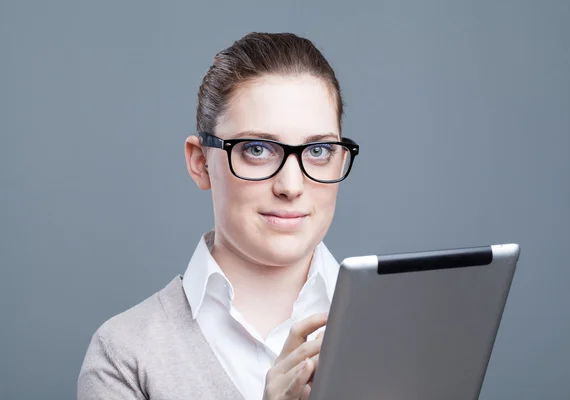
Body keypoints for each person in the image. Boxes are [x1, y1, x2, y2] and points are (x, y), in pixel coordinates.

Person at [77, 32, 360, 400]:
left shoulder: (407, 328)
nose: (291, 185)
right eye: (257, 149)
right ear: (200, 163)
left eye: (319, 150)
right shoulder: (125, 357)